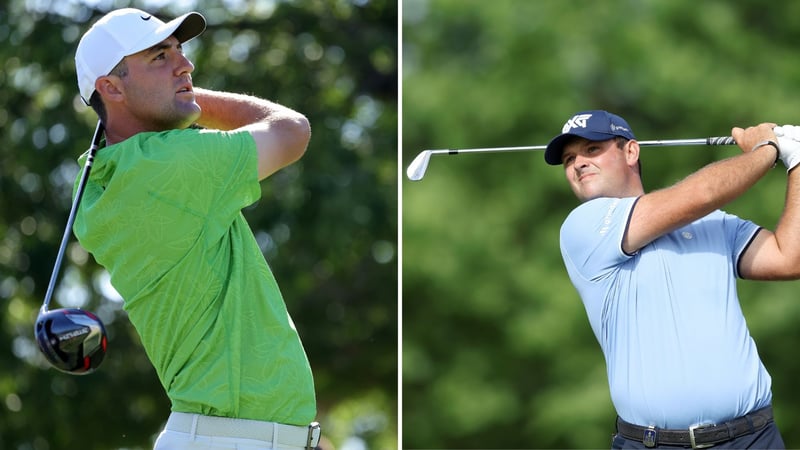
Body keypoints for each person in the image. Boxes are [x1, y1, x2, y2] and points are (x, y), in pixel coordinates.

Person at [72, 8, 321, 449]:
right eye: (159, 58)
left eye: (180, 52)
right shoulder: (168, 165)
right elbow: (291, 131)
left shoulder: (100, 182)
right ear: (110, 87)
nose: (185, 66)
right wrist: (192, 98)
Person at [544, 109, 800, 449]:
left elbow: (788, 258)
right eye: (568, 159)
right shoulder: (583, 228)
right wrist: (767, 149)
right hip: (654, 444)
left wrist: (796, 162)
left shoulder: (713, 224)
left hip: (753, 438)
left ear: (631, 151)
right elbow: (700, 196)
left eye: (592, 150)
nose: (577, 164)